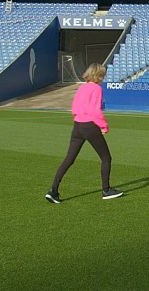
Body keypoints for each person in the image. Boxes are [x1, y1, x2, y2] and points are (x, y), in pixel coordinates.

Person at [45, 63, 123, 203]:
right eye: (103, 75)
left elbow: (74, 108)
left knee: (69, 159)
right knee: (106, 158)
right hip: (90, 126)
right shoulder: (97, 89)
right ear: (99, 75)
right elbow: (95, 111)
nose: (103, 77)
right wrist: (104, 126)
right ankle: (106, 190)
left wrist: (79, 119)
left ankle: (53, 191)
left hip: (77, 126)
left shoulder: (82, 87)